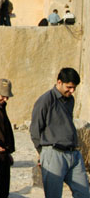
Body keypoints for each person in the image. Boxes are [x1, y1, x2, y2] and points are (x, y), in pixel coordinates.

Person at [31, 68, 90, 198]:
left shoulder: (70, 100)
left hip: (73, 154)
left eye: (74, 88)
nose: (72, 91)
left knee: (84, 194)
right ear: (59, 82)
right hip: (54, 154)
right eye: (69, 87)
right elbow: (35, 129)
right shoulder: (45, 100)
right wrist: (43, 153)